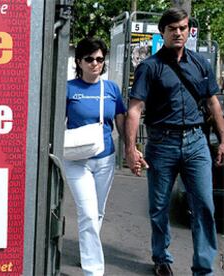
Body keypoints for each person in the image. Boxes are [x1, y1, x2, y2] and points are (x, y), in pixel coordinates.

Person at [125, 7, 224, 276]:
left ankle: (203, 268)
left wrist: (223, 140)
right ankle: (161, 257)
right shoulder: (150, 67)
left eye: (183, 28)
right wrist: (131, 148)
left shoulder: (201, 64)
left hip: (196, 143)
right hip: (161, 144)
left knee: (204, 204)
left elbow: (213, 103)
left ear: (188, 30)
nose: (178, 33)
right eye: (172, 29)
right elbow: (135, 108)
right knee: (159, 207)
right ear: (163, 32)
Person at [64, 37, 126, 276]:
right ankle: (93, 270)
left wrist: (129, 151)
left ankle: (88, 252)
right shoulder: (69, 88)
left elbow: (120, 120)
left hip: (104, 159)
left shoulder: (111, 89)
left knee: (97, 213)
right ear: (79, 61)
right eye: (89, 59)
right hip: (77, 160)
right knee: (88, 214)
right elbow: (57, 120)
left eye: (99, 59)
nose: (94, 63)